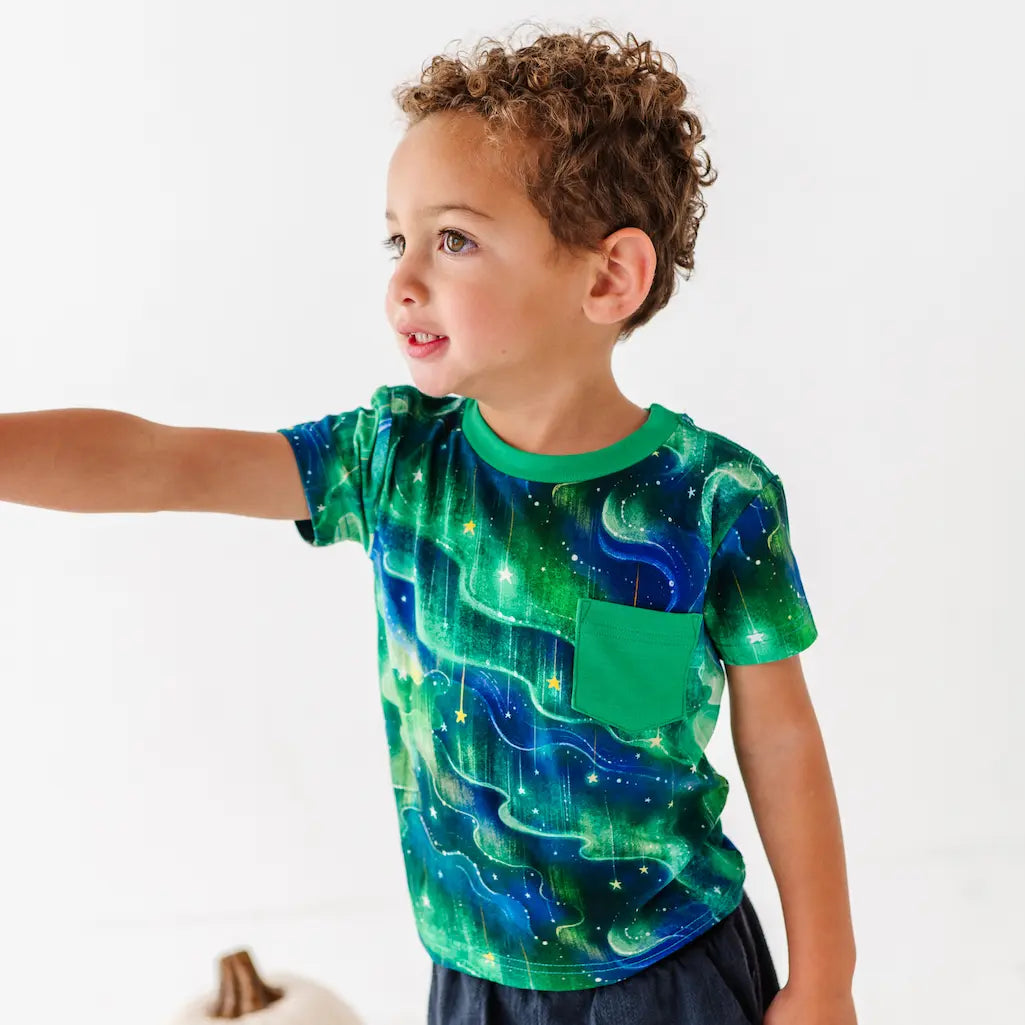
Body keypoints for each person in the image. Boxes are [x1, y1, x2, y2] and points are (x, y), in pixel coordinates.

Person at [0, 23, 857, 1025]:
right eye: (396, 238)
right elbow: (166, 459)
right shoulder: (393, 460)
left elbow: (781, 738)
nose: (403, 277)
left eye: (452, 238)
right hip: (470, 977)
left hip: (667, 974)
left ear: (606, 277)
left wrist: (822, 978)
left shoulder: (708, 497)